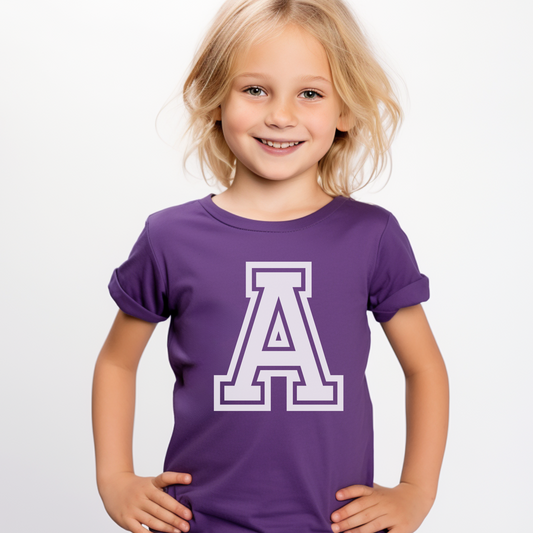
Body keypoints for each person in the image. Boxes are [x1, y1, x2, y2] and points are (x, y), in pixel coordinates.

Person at [92, 0, 449, 532]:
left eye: (310, 93)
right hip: (200, 522)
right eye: (255, 89)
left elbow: (425, 368)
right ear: (214, 98)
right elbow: (117, 363)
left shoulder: (371, 236)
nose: (280, 115)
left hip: (332, 525)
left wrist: (415, 492)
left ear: (345, 111)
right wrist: (115, 477)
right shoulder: (169, 238)